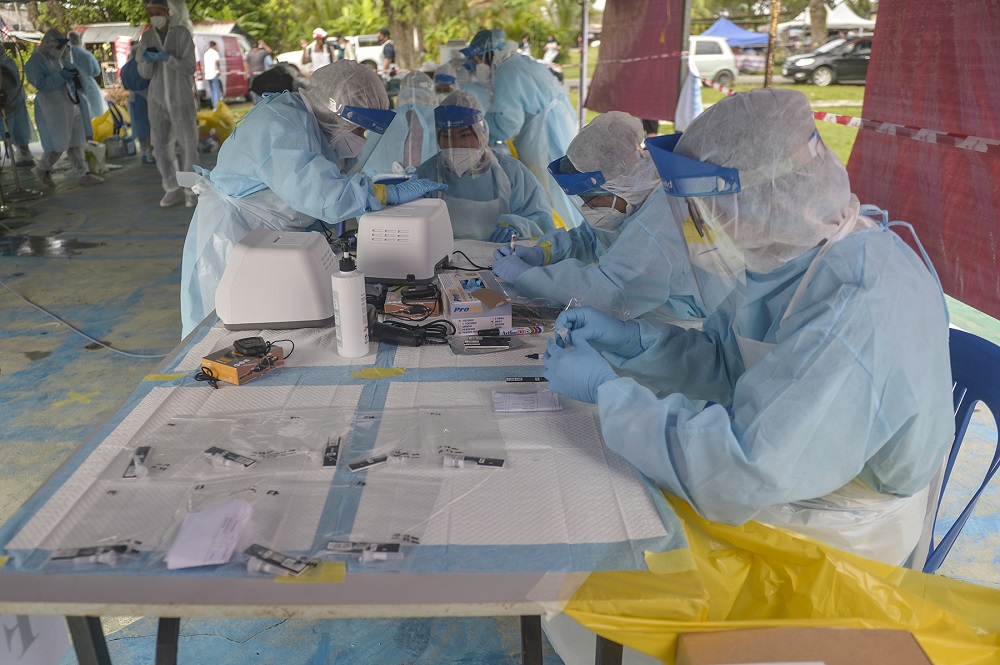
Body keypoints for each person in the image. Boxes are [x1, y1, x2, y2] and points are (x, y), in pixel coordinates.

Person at [543, 88, 954, 567]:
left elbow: (744, 469)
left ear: (757, 198)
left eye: (701, 208)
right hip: (793, 478)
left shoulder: (858, 305)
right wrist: (633, 342)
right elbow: (726, 360)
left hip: (842, 533)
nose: (695, 225)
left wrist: (610, 392)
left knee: (620, 554)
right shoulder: (786, 259)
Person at [179, 60, 445, 336]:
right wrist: (385, 193)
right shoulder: (283, 127)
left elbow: (306, 186)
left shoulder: (302, 119)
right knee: (231, 329)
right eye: (358, 130)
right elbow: (324, 198)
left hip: (261, 236)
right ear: (338, 113)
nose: (361, 140)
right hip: (231, 241)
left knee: (274, 318)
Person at [491, 112, 708, 321]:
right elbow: (595, 236)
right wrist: (545, 252)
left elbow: (608, 294)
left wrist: (529, 277)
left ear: (618, 186)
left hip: (680, 325)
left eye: (591, 200)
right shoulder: (634, 194)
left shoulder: (658, 222)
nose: (587, 208)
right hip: (646, 312)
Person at [462, 29, 580, 229]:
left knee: (552, 192)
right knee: (567, 191)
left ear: (487, 54)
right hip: (558, 127)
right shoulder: (521, 62)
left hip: (542, 137)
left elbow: (508, 123)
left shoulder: (507, 72)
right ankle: (574, 235)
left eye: (476, 60)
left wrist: (479, 131)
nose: (476, 66)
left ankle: (563, 237)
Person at [415, 90, 555, 242]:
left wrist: (519, 229)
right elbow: (413, 227)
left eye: (464, 135)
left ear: (481, 134)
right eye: (447, 137)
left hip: (504, 260)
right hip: (444, 261)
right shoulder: (426, 174)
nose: (456, 145)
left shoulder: (512, 172)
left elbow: (541, 223)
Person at [136, 0, 199, 207]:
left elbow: (189, 67)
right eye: (150, 13)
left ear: (166, 11)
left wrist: (167, 58)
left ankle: (191, 190)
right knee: (160, 146)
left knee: (187, 144)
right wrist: (147, 60)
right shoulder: (147, 37)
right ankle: (172, 188)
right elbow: (143, 73)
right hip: (157, 100)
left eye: (157, 12)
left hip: (180, 98)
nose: (155, 16)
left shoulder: (181, 34)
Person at [24, 29, 104, 188]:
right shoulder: (36, 61)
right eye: (58, 45)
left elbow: (72, 77)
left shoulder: (58, 58)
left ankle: (83, 173)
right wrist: (61, 76)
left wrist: (73, 76)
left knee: (76, 139)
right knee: (57, 142)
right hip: (51, 107)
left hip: (68, 102)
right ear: (49, 43)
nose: (61, 49)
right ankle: (42, 169)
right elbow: (41, 84)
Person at [363, 71, 438, 178]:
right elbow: (370, 167)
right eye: (408, 100)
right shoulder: (386, 127)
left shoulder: (441, 128)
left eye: (419, 99)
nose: (413, 106)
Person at [0, 44, 37, 167]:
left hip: (10, 100)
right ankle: (25, 155)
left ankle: (26, 156)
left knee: (16, 129)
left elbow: (9, 83)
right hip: (12, 99)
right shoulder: (8, 61)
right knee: (17, 129)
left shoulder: (5, 64)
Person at [67, 31, 105, 136]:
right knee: (95, 116)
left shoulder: (65, 54)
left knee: (79, 120)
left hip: (71, 89)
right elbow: (96, 71)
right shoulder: (85, 54)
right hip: (89, 87)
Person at [124, 43, 155, 164]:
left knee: (139, 126)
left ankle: (144, 152)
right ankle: (150, 153)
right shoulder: (143, 66)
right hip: (147, 97)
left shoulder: (127, 67)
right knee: (150, 125)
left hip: (133, 98)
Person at [246, 39, 273, 104]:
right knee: (261, 88)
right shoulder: (261, 52)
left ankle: (256, 102)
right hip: (260, 74)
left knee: (253, 88)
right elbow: (270, 51)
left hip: (252, 73)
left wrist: (246, 72)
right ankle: (261, 101)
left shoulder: (249, 53)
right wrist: (264, 44)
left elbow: (246, 63)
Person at [202, 40, 222, 110]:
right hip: (214, 73)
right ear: (214, 46)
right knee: (216, 90)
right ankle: (217, 106)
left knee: (212, 91)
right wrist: (219, 69)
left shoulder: (206, 53)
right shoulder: (215, 53)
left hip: (207, 74)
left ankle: (214, 106)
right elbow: (217, 61)